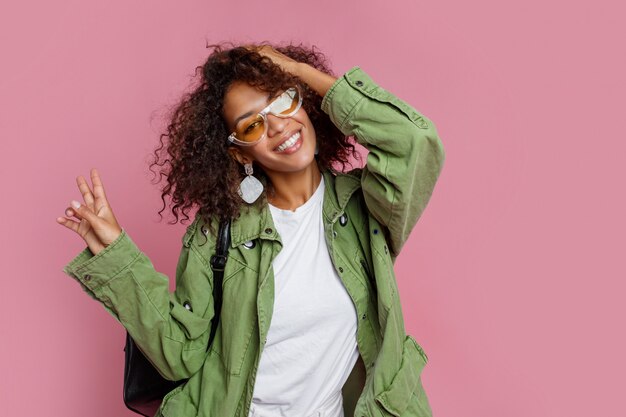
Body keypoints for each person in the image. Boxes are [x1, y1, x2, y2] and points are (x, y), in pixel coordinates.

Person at [58, 42, 446, 417]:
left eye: (283, 100)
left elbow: (414, 141)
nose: (278, 126)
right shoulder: (216, 234)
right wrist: (118, 258)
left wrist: (299, 73)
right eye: (252, 126)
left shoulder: (366, 210)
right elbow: (179, 354)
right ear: (241, 153)